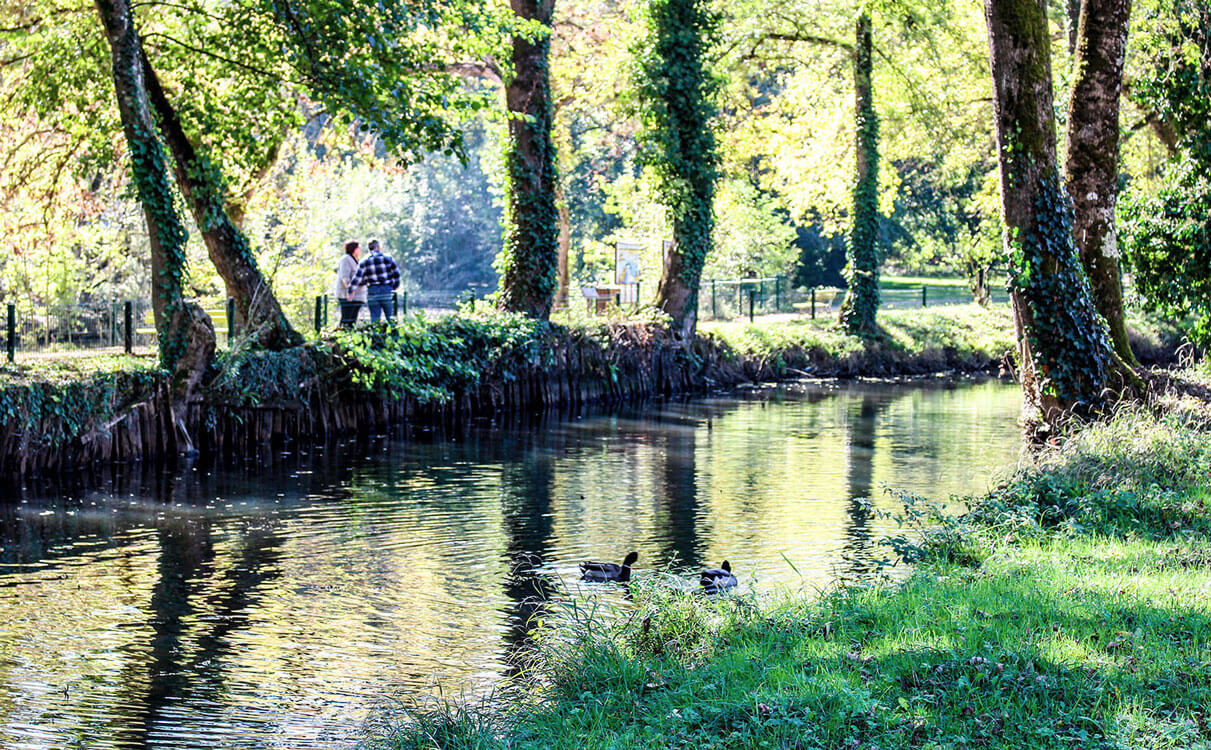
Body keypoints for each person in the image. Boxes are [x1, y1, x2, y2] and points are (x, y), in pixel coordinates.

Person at [347, 238, 401, 323]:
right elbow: (397, 274)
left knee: (375, 317)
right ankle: (394, 334)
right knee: (390, 317)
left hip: (372, 290)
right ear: (379, 247)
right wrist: (395, 286)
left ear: (369, 248)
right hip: (386, 289)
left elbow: (357, 278)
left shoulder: (364, 261)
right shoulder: (388, 258)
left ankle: (375, 335)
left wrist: (350, 291)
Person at [333, 240, 366, 328]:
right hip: (346, 295)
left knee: (353, 319)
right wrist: (350, 291)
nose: (360, 250)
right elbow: (345, 277)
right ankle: (343, 334)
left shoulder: (358, 261)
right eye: (358, 248)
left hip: (358, 296)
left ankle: (350, 335)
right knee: (346, 318)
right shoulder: (346, 259)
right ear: (354, 249)